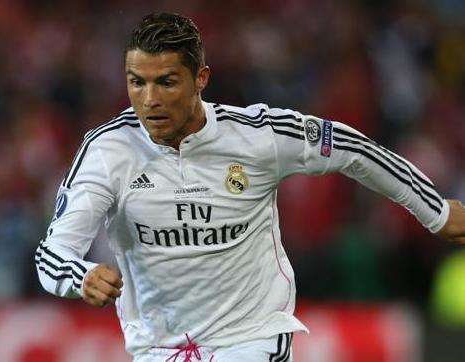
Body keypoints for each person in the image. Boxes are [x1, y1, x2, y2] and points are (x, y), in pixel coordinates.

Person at [35, 12, 465, 362]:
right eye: (137, 82)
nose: (149, 99)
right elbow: (53, 253)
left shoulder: (257, 135)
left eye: (166, 82)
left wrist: (435, 211)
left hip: (253, 337)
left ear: (200, 78)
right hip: (159, 350)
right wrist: (82, 274)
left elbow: (351, 149)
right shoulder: (108, 150)